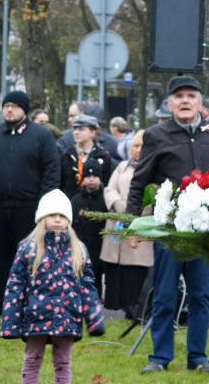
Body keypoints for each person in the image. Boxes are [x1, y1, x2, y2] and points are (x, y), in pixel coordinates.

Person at [126, 76, 209, 375]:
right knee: (164, 294)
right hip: (170, 229)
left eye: (191, 96)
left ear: (201, 102)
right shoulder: (156, 135)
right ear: (170, 103)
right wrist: (132, 225)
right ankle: (159, 358)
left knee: (202, 294)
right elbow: (140, 182)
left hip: (206, 228)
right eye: (178, 96)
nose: (185, 101)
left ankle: (198, 357)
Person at [0, 189, 104, 384]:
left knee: (63, 362)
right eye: (52, 215)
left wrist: (94, 318)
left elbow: (87, 286)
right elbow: (15, 285)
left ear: (69, 220)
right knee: (32, 359)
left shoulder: (78, 249)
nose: (57, 220)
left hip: (67, 317)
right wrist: (10, 322)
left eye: (62, 216)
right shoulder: (28, 248)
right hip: (36, 316)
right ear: (41, 219)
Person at [0, 90, 61, 316]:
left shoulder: (41, 136)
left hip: (29, 207)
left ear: (25, 109)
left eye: (14, 105)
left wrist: (43, 208)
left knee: (31, 257)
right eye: (6, 105)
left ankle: (30, 301)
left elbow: (51, 172)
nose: (9, 109)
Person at [101, 130, 152, 317]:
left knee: (135, 269)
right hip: (117, 223)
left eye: (143, 146)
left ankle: (134, 307)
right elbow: (109, 188)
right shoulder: (122, 166)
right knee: (116, 267)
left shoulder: (153, 168)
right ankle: (117, 305)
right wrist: (118, 204)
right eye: (136, 146)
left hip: (139, 225)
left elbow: (153, 196)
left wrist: (134, 211)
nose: (139, 150)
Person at [70, 160, 108, 297]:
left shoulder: (105, 199)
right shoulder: (76, 200)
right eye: (87, 177)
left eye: (95, 177)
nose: (91, 180)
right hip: (80, 248)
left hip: (98, 248)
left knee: (96, 278)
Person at [60, 114, 114, 198]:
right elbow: (60, 184)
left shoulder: (103, 156)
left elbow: (108, 185)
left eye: (81, 129)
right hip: (69, 204)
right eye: (75, 129)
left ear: (92, 133)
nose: (76, 132)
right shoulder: (66, 155)